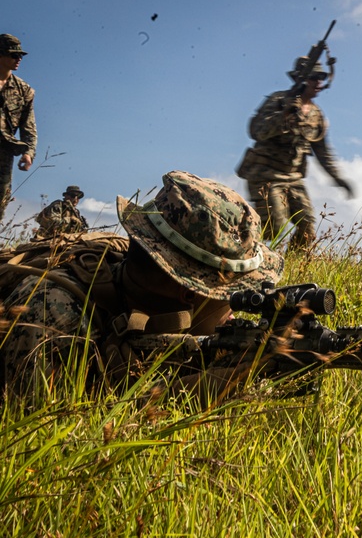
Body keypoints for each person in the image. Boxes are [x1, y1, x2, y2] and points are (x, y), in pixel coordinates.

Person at [0, 171, 283, 402]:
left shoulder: (151, 306)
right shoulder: (51, 313)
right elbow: (49, 441)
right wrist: (190, 393)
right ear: (191, 292)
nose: (235, 312)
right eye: (232, 296)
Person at [236, 56, 354, 250]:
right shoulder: (278, 101)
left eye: (322, 77)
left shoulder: (317, 116)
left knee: (307, 226)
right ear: (302, 79)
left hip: (293, 178)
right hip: (265, 174)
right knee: (273, 227)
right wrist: (284, 115)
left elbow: (323, 153)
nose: (319, 82)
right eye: (314, 77)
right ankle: (239, 246)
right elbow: (256, 130)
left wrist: (339, 179)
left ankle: (294, 268)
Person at [0, 34, 36, 222]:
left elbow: (28, 126)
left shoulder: (24, 90)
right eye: (14, 55)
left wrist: (28, 153)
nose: (18, 59)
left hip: (4, 154)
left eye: (20, 56)